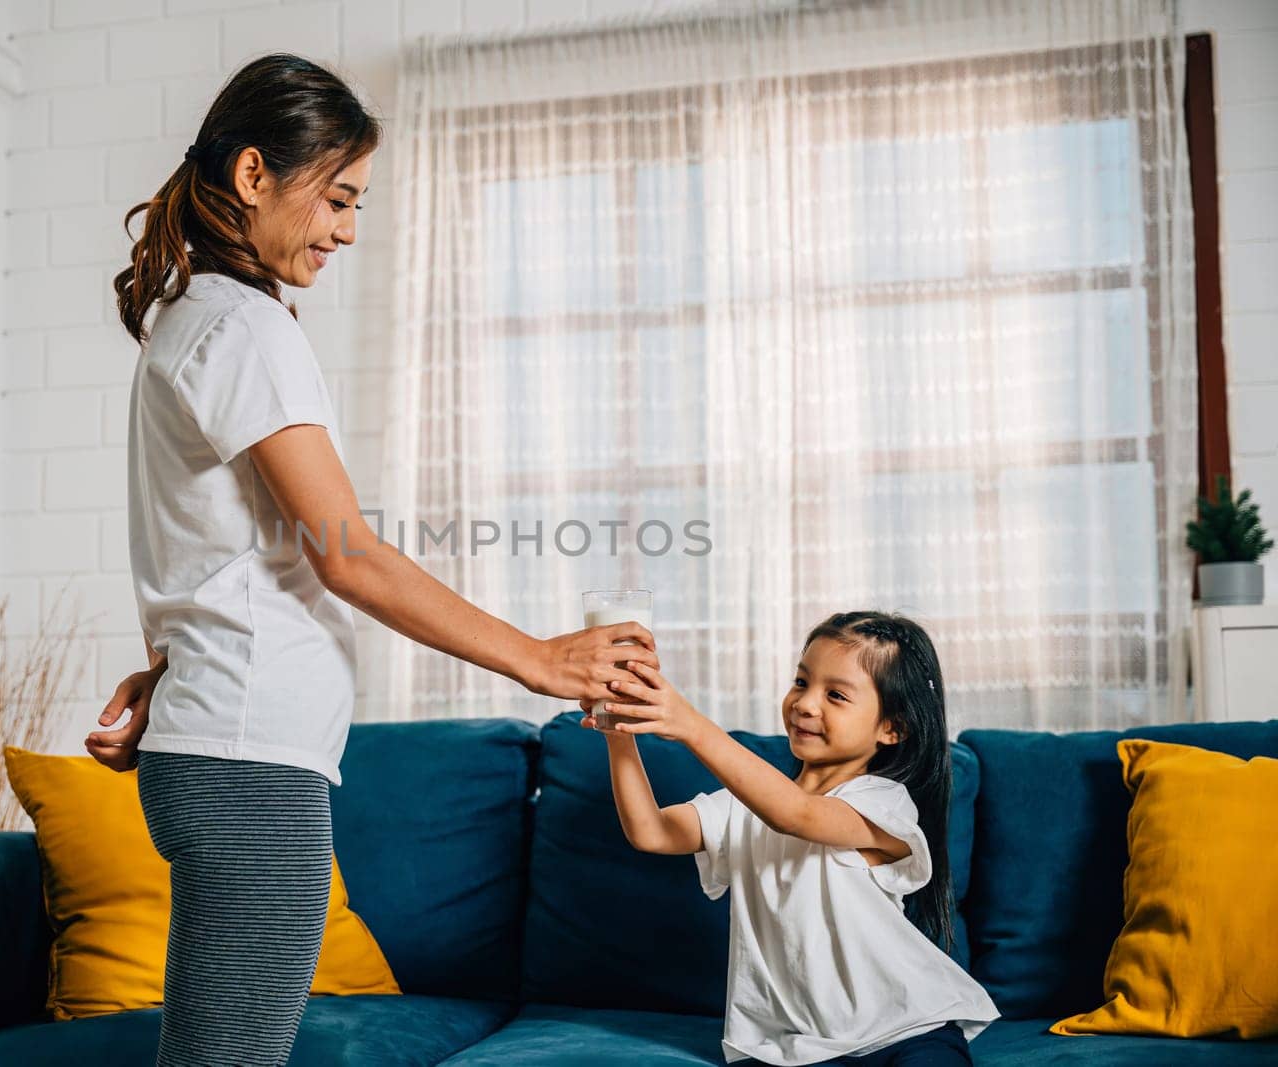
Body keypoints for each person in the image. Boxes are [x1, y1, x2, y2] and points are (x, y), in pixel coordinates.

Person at [84, 53, 657, 1067]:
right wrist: (541, 658)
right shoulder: (244, 324)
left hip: (227, 744)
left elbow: (211, 542)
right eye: (337, 197)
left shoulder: (196, 317)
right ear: (255, 174)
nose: (348, 228)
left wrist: (174, 670)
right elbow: (345, 554)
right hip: (245, 760)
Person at [585, 610, 999, 1066]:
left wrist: (689, 723)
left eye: (836, 694)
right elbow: (652, 832)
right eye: (802, 682)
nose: (805, 703)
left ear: (892, 728)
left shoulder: (883, 804)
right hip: (794, 1048)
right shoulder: (742, 807)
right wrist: (617, 733)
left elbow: (797, 815)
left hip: (905, 1028)